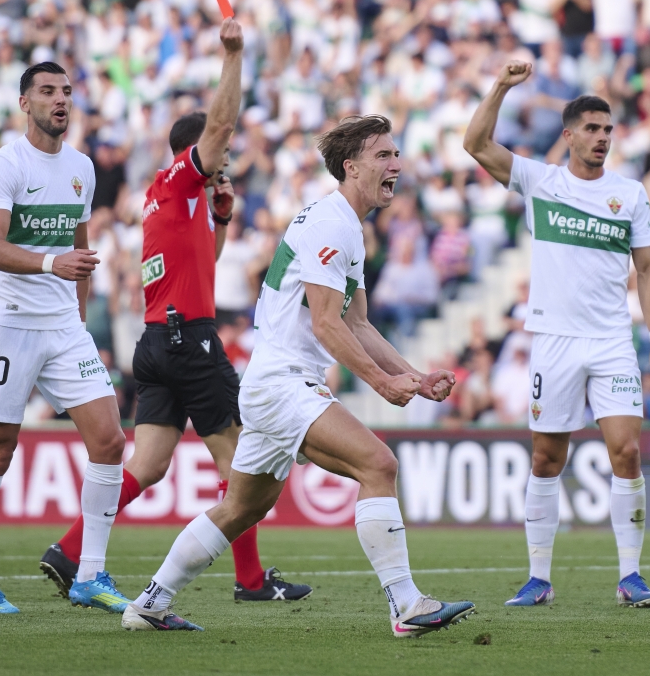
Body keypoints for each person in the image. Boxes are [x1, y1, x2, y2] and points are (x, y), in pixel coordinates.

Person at [121, 115, 473, 636]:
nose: (396, 164)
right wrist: (382, 383)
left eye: (396, 154)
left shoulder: (347, 224)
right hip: (284, 382)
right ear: (351, 167)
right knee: (379, 464)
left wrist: (414, 376)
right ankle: (406, 605)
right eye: (383, 156)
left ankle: (148, 604)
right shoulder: (332, 224)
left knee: (240, 508)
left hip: (274, 382)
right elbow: (327, 323)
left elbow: (358, 323)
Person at [38, 18, 311, 604]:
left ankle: (68, 549)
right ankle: (251, 580)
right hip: (190, 342)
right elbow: (221, 123)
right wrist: (234, 55)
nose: (228, 159)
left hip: (158, 342)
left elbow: (201, 269)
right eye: (223, 154)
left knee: (150, 463)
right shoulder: (185, 177)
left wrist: (219, 220)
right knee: (241, 459)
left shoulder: (168, 195)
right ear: (199, 154)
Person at [462, 61, 650, 609]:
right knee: (545, 461)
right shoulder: (541, 180)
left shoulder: (630, 193)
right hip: (553, 340)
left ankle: (630, 576)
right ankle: (539, 579)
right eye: (592, 129)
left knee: (626, 451)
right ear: (569, 135)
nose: (602, 138)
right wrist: (502, 86)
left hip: (610, 341)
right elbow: (475, 143)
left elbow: (649, 269)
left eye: (608, 130)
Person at [0, 63, 129, 614]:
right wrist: (54, 262)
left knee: (109, 441)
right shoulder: (4, 165)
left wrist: (78, 319)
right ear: (24, 102)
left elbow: (78, 254)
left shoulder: (81, 168)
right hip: (7, 324)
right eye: (48, 92)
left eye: (67, 93)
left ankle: (91, 576)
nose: (61, 101)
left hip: (62, 328)